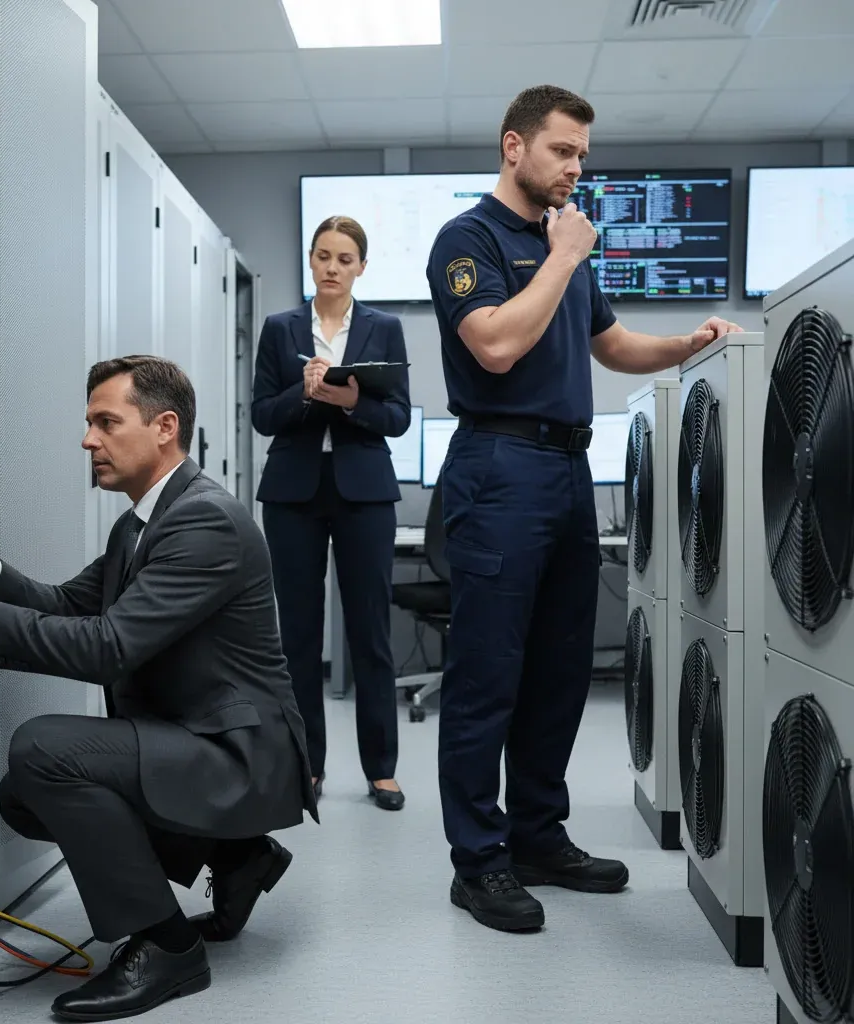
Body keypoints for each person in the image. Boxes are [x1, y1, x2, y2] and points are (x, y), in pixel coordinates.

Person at [0, 355, 319, 1020]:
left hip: (242, 756)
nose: (87, 439)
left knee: (42, 751)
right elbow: (69, 605)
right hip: (197, 737)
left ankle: (167, 944)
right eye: (89, 423)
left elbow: (108, 647)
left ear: (164, 427)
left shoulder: (204, 520)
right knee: (23, 797)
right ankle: (236, 854)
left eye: (105, 422)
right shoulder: (144, 521)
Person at [425, 84, 741, 932]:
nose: (576, 168)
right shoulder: (470, 239)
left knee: (560, 671)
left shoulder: (564, 244)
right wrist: (563, 254)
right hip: (499, 465)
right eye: (563, 150)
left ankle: (536, 836)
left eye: (582, 155)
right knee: (487, 676)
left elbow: (611, 342)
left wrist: (687, 344)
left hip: (567, 470)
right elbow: (492, 345)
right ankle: (479, 861)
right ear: (513, 147)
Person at [251, 215, 411, 812]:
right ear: (310, 261)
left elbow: (397, 417)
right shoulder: (279, 328)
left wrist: (350, 401)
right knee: (296, 635)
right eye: (323, 256)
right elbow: (263, 413)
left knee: (370, 631)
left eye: (345, 259)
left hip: (364, 493)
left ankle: (382, 769)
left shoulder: (385, 328)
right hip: (294, 492)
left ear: (361, 267)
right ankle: (306, 765)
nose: (333, 267)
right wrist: (304, 392)